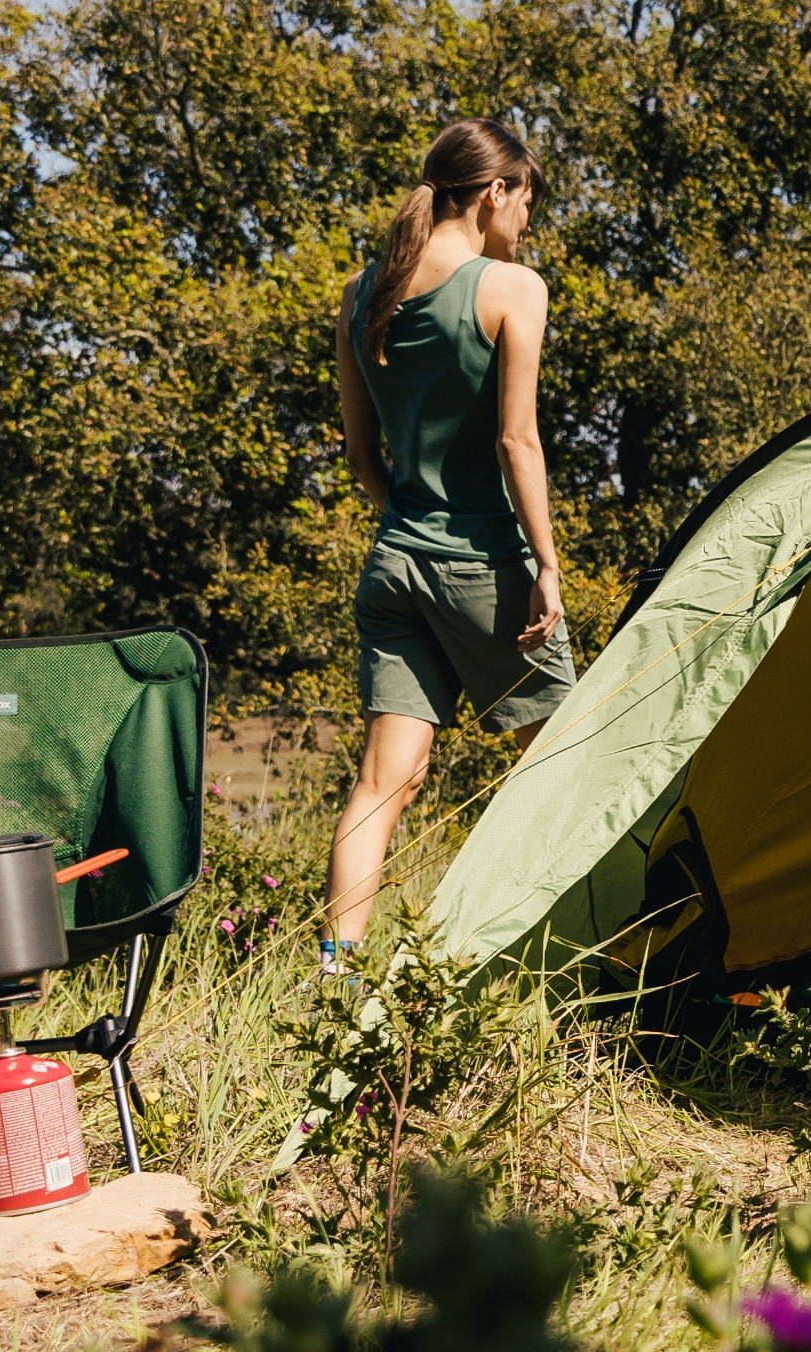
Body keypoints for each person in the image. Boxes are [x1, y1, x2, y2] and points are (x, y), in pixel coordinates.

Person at [319, 118, 574, 974]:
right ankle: (575, 960)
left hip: (392, 565)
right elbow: (517, 443)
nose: (527, 222)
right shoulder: (511, 288)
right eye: (527, 200)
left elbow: (360, 456)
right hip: (484, 565)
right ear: (495, 192)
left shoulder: (364, 293)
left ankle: (337, 972)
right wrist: (545, 564)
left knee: (381, 784)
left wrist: (409, 522)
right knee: (570, 757)